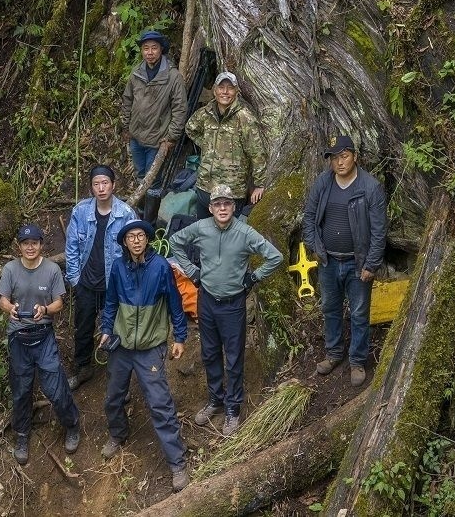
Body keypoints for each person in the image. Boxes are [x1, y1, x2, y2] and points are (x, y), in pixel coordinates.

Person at [170, 184, 283, 437]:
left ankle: (233, 409)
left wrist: (253, 278)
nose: (222, 208)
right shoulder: (201, 228)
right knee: (209, 353)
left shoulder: (245, 232)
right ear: (210, 208)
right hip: (206, 300)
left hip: (233, 305)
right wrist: (192, 272)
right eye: (217, 204)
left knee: (233, 358)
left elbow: (275, 257)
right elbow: (175, 241)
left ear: (233, 207)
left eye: (227, 204)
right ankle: (215, 400)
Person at [99, 219, 190, 492]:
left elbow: (175, 302)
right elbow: (111, 301)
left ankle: (178, 463)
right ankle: (118, 434)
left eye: (141, 235)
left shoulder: (161, 266)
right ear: (125, 242)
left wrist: (180, 337)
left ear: (146, 239)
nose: (136, 240)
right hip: (122, 344)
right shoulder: (117, 267)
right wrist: (106, 329)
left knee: (160, 404)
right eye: (131, 237)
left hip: (151, 347)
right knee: (113, 397)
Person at [302, 135, 387, 388]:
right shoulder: (323, 183)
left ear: (355, 156)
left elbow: (379, 230)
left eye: (344, 156)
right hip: (328, 261)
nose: (339, 162)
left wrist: (371, 264)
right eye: (334, 158)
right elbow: (309, 218)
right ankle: (334, 354)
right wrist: (315, 247)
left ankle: (358, 361)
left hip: (357, 263)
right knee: (330, 308)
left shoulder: (370, 187)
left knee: (359, 313)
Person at [0, 223, 80, 466]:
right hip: (18, 337)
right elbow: (2, 299)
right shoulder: (10, 269)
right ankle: (22, 435)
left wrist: (44, 309)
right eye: (25, 243)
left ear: (41, 245)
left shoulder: (52, 269)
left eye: (34, 242)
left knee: (55, 387)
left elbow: (59, 304)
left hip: (43, 335)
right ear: (19, 246)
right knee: (21, 389)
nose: (30, 247)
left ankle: (72, 425)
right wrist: (9, 308)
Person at [64, 163, 136, 390]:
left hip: (112, 286)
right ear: (91, 188)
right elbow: (72, 247)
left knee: (116, 329)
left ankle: (116, 377)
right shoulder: (81, 212)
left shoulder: (125, 214)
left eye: (105, 183)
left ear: (113, 185)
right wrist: (75, 278)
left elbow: (135, 248)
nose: (101, 188)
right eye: (97, 184)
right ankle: (83, 368)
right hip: (86, 283)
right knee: (83, 328)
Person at [185, 69, 267, 219]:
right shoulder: (206, 113)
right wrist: (208, 146)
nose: (225, 92)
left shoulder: (245, 117)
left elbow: (257, 152)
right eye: (221, 88)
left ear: (236, 91)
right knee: (205, 235)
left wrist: (260, 184)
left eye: (230, 88)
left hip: (231, 191)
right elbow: (190, 128)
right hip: (205, 186)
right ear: (215, 91)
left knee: (227, 238)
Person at [121, 30, 188, 182]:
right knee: (139, 174)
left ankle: (151, 205)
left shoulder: (173, 76)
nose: (149, 52)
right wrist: (126, 127)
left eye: (154, 48)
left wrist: (171, 136)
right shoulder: (136, 73)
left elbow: (180, 109)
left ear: (161, 49)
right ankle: (140, 205)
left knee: (152, 179)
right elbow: (127, 100)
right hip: (136, 137)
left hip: (157, 140)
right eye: (146, 48)